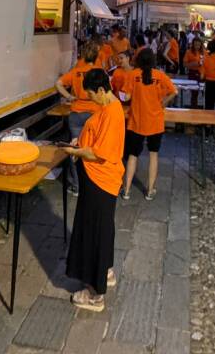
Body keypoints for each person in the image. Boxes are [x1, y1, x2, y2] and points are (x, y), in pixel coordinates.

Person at [61, 68, 125, 312]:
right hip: (101, 180)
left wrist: (74, 151)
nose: (90, 99)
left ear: (101, 90)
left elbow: (98, 153)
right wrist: (82, 141)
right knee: (103, 228)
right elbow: (97, 138)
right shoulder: (111, 107)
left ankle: (95, 294)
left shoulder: (111, 112)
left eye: (91, 94)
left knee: (94, 232)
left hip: (100, 180)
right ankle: (105, 270)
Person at [122, 49, 177, 200]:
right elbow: (174, 91)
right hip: (155, 122)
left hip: (136, 121)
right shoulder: (160, 76)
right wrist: (163, 103)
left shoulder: (133, 75)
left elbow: (126, 97)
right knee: (153, 154)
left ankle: (126, 190)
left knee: (133, 155)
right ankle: (150, 190)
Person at [56, 43, 101, 194]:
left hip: (75, 114)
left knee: (75, 148)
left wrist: (69, 96)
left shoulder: (76, 72)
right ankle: (91, 182)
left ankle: (76, 185)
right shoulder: (99, 73)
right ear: (96, 57)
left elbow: (58, 83)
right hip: (94, 114)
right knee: (91, 150)